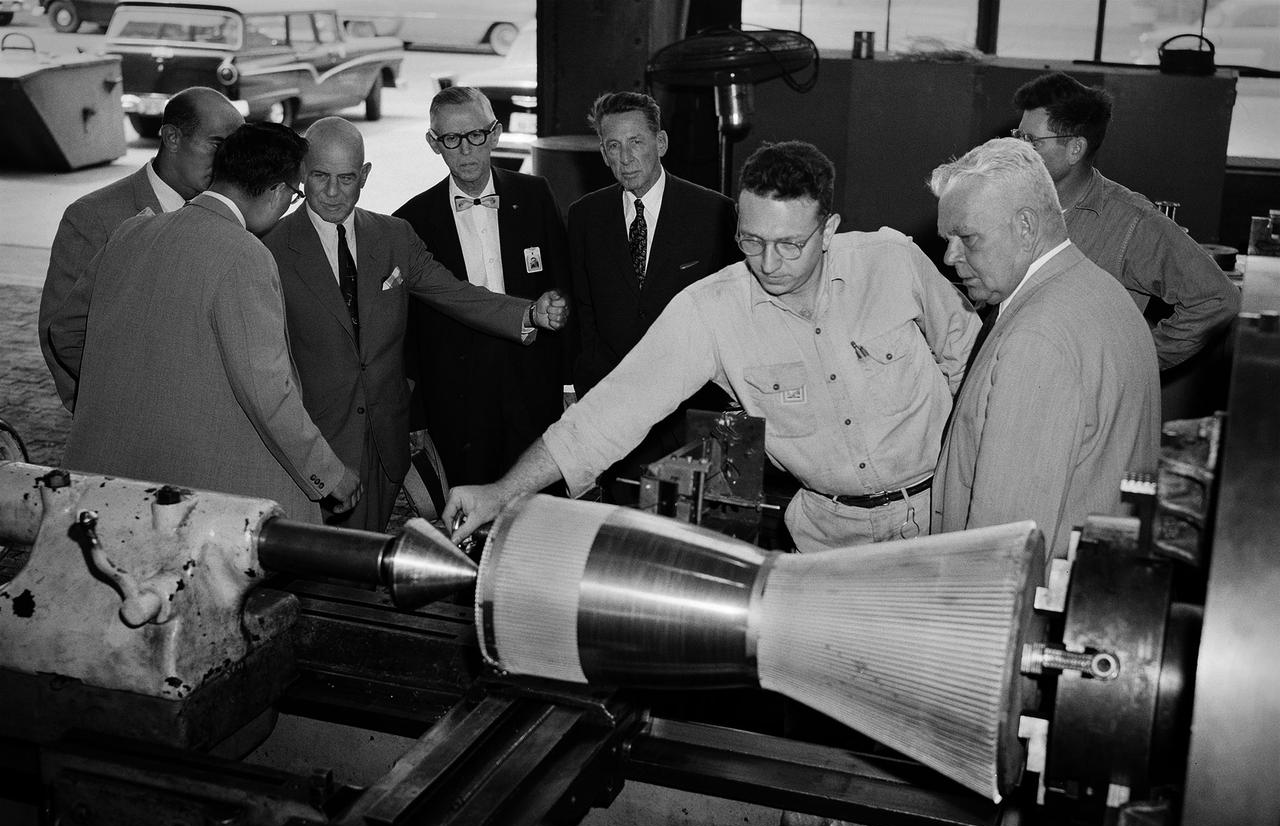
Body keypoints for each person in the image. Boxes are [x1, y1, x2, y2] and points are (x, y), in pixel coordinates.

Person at [446, 140, 980, 552]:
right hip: (829, 540)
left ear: (829, 229)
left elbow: (970, 362)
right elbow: (608, 414)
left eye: (791, 244)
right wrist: (500, 492)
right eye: (751, 241)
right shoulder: (711, 310)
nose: (769, 264)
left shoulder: (891, 260)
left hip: (943, 515)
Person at [263, 116, 568, 532]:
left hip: (388, 448)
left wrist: (528, 313)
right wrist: (314, 459)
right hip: (314, 451)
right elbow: (267, 372)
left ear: (365, 176)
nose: (333, 192)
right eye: (320, 176)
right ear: (301, 171)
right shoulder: (268, 250)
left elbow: (456, 294)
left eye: (347, 177)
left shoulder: (393, 236)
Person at [49, 122, 362, 523]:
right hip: (202, 493)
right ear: (277, 191)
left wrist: (125, 392)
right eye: (294, 195)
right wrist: (330, 474)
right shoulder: (245, 254)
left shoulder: (132, 229)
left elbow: (67, 331)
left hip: (106, 476)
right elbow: (267, 389)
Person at [930, 137, 1161, 567]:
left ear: (1026, 226)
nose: (949, 255)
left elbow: (1002, 548)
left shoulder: (1038, 339)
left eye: (967, 238)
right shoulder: (1099, 288)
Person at [393, 86, 571, 487]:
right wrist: (416, 414)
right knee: (469, 503)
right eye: (451, 140)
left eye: (475, 135)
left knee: (541, 500)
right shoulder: (411, 220)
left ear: (495, 133)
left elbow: (562, 287)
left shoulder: (536, 195)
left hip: (533, 382)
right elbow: (409, 331)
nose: (466, 150)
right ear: (433, 144)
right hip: (456, 396)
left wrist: (568, 382)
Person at [1010, 72, 1239, 371]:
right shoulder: (1011, 200)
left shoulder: (1131, 222)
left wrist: (1132, 363)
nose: (1019, 150)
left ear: (1075, 149)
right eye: (1018, 136)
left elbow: (1218, 299)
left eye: (1032, 141)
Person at [568, 90, 740, 485]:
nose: (625, 158)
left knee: (691, 533)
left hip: (695, 408)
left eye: (636, 143)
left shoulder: (715, 213)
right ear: (603, 152)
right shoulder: (585, 217)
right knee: (621, 531)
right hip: (615, 411)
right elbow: (584, 314)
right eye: (613, 146)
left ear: (660, 143)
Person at [40, 87, 245, 410]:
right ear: (172, 138)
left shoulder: (235, 215)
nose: (228, 161)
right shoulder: (94, 216)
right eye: (217, 145)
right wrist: (121, 406)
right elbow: (61, 335)